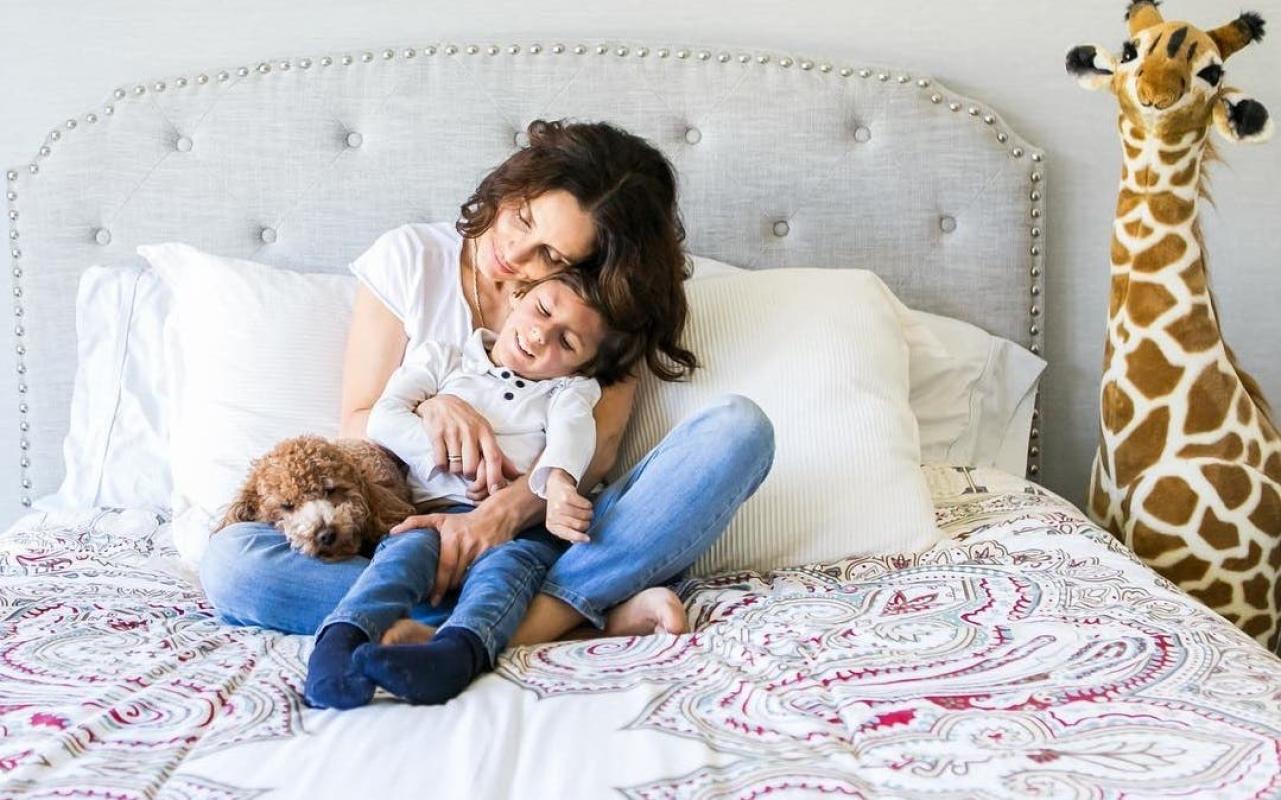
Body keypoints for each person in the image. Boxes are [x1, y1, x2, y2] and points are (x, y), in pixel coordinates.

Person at [200, 119, 775, 656]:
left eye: (551, 255)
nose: (513, 252)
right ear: (514, 184)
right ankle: (566, 617)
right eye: (523, 218)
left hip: (550, 530)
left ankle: (509, 621)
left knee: (738, 430)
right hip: (414, 538)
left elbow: (593, 458)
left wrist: (495, 518)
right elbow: (358, 423)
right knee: (233, 564)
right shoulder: (410, 258)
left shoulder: (591, 316)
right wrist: (432, 405)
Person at [306, 271, 641, 708]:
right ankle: (341, 642)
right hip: (434, 516)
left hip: (518, 531)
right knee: (399, 560)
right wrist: (456, 458)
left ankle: (455, 654)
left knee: (504, 575)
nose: (540, 336)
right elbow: (383, 418)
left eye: (566, 342)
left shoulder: (568, 390)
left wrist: (558, 483)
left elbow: (572, 435)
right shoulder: (444, 359)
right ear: (519, 296)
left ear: (582, 366)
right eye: (542, 310)